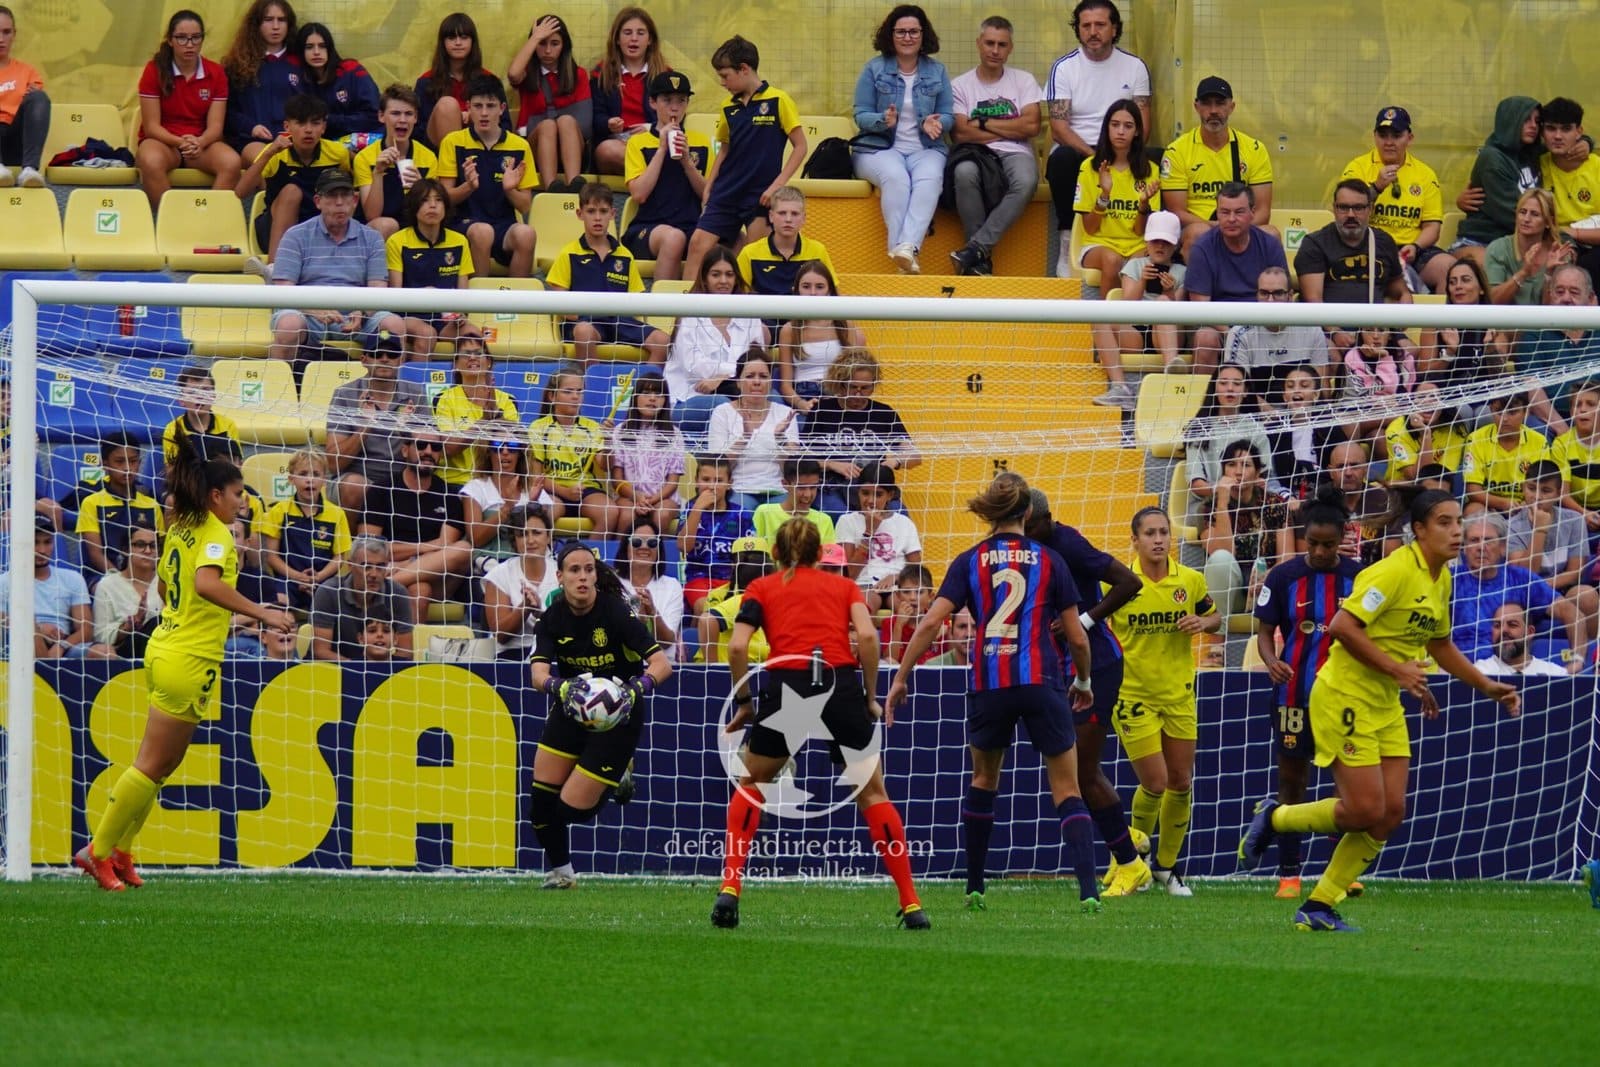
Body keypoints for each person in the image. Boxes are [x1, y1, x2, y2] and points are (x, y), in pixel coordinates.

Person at [1240, 490, 1520, 932]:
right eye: (1445, 522)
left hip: (1384, 700)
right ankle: (1275, 816)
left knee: (1390, 814)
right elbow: (1341, 626)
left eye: (1457, 522)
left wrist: (1485, 685)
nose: (1456, 531)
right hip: (1343, 694)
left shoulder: (1440, 576)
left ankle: (1318, 906)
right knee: (1364, 809)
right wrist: (1399, 670)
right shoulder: (1392, 572)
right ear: (1420, 530)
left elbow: (1438, 643)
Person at [74, 435, 295, 891]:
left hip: (171, 647)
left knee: (164, 764)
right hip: (187, 656)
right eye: (237, 493)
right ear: (216, 495)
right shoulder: (214, 534)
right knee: (151, 763)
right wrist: (264, 611)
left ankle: (121, 852)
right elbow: (207, 584)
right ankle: (95, 850)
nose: (244, 501)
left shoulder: (181, 525)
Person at [886, 474, 1098, 911]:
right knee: (1066, 787)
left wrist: (901, 676)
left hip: (989, 683)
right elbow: (1078, 638)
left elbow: (929, 624)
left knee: (984, 779)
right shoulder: (1050, 559)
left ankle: (976, 886)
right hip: (1041, 682)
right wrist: (1083, 680)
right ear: (1027, 514)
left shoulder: (969, 560)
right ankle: (1089, 892)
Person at [718, 518, 927, 929]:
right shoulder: (845, 587)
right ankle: (912, 903)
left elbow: (738, 644)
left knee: (752, 783)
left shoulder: (762, 588)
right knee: (873, 793)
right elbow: (868, 638)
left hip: (790, 687)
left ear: (775, 553)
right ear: (821, 553)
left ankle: (730, 889)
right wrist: (868, 696)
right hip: (839, 683)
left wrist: (744, 702)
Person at [1021, 488, 1150, 895]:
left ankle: (1132, 865)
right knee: (1075, 770)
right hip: (1063, 668)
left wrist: (1086, 620)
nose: (1022, 533)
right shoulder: (1029, 551)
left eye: (1028, 526)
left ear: (1045, 520)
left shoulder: (1068, 544)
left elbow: (1129, 582)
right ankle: (1127, 841)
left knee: (1081, 770)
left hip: (1097, 665)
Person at [530, 542, 673, 888]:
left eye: (589, 570)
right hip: (572, 706)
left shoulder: (617, 614)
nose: (583, 577)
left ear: (596, 575)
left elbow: (662, 664)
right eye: (575, 570)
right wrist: (559, 688)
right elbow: (537, 675)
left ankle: (620, 775)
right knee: (540, 808)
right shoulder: (552, 618)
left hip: (619, 714)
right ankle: (563, 875)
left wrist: (634, 689)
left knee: (569, 811)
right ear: (560, 577)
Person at [1250, 486, 1363, 898]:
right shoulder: (1283, 577)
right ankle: (1289, 874)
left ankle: (1340, 873)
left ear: (1342, 539)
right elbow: (1265, 632)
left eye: (1328, 544)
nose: (1319, 551)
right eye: (1312, 543)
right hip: (1293, 696)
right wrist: (1270, 660)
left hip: (1344, 698)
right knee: (1292, 784)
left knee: (1346, 786)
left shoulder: (1359, 577)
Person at [1106, 506, 1222, 895]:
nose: (1158, 540)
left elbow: (1215, 617)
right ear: (1134, 539)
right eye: (1150, 533)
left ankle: (1167, 869)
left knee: (1180, 781)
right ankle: (1130, 860)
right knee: (1154, 781)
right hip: (1133, 695)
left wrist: (1201, 623)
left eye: (1163, 532)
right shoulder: (1118, 584)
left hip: (1179, 695)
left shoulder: (1188, 580)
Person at [683, 35, 805, 280]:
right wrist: (710, 185)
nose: (722, 82)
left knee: (752, 255)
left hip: (759, 194)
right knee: (697, 245)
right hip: (726, 191)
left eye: (725, 76)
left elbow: (800, 146)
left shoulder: (779, 100)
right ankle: (685, 316)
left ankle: (748, 318)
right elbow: (725, 148)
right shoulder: (728, 106)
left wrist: (777, 187)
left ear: (744, 69)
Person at [1043, 0, 1151, 267]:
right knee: (1061, 160)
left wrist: (1117, 155)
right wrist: (1096, 157)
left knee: (1158, 159)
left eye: (1100, 25)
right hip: (1080, 148)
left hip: (1123, 146)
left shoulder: (1135, 66)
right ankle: (1068, 241)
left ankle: (1155, 245)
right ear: (1078, 30)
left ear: (1114, 29)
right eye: (1086, 25)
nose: (1093, 31)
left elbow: (1143, 126)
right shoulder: (1064, 67)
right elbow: (1059, 128)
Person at [850, 5, 953, 275]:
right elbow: (860, 114)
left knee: (930, 179)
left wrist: (938, 122)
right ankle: (902, 249)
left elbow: (949, 114)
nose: (907, 37)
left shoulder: (937, 71)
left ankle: (906, 249)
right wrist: (882, 120)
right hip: (878, 148)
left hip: (926, 148)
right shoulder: (874, 69)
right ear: (890, 35)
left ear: (923, 35)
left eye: (913, 32)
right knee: (896, 178)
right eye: (901, 32)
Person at [268, 170, 410, 365]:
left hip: (358, 318)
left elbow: (378, 289)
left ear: (355, 200)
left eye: (345, 196)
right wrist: (315, 309)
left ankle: (393, 392)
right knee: (289, 324)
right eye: (332, 196)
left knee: (394, 324)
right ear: (318, 201)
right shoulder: (295, 235)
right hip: (308, 315)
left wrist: (362, 311)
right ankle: (280, 388)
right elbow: (283, 291)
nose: (340, 202)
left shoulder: (372, 238)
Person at [947, 16, 1041, 276]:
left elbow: (1032, 126)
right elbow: (960, 133)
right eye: (990, 43)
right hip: (975, 153)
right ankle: (979, 262)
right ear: (979, 44)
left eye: (1002, 44)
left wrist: (984, 123)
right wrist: (1011, 127)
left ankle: (976, 249)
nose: (995, 50)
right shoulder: (959, 86)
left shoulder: (1023, 80)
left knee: (1027, 180)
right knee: (963, 173)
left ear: (1010, 47)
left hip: (1017, 152)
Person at [546, 182, 669, 365]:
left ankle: (640, 390)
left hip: (620, 321)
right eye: (591, 211)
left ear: (612, 214)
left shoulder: (625, 255)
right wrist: (587, 315)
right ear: (580, 214)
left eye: (603, 212)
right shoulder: (568, 253)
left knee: (663, 341)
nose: (597, 218)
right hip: (586, 322)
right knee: (583, 332)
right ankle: (593, 389)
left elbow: (637, 301)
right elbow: (560, 305)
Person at [1452, 510, 1587, 673]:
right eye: (1474, 540)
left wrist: (1577, 661)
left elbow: (1572, 613)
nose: (1481, 547)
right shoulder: (1450, 580)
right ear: (1464, 548)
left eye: (1488, 540)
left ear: (1503, 548)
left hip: (1511, 671)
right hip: (1459, 672)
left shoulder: (1519, 578)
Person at [357, 431, 472, 622]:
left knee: (464, 549)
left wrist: (406, 562)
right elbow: (367, 549)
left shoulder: (450, 495)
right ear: (404, 450)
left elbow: (446, 549)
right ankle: (412, 651)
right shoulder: (381, 490)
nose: (428, 451)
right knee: (420, 590)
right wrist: (424, 548)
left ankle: (382, 586)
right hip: (391, 567)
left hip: (430, 577)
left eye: (435, 447)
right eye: (421, 445)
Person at [1340, 106, 1454, 294]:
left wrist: (1415, 247)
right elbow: (1346, 213)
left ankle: (1437, 324)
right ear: (1374, 136)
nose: (1389, 142)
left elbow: (1432, 226)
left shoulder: (1425, 174)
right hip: (1368, 246)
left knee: (1449, 269)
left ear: (1410, 138)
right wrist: (1376, 187)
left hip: (1412, 249)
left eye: (1396, 135)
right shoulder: (1357, 168)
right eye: (1383, 135)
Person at [435, 73, 538, 279]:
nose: (484, 113)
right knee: (483, 232)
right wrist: (468, 187)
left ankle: (517, 305)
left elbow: (525, 205)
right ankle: (478, 307)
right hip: (462, 223)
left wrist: (509, 190)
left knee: (527, 234)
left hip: (503, 225)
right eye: (478, 106)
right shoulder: (453, 142)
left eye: (490, 106)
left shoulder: (519, 146)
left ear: (501, 109)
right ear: (468, 108)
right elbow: (444, 199)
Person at [135, 10, 240, 209]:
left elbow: (216, 127)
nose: (189, 44)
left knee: (232, 162)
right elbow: (151, 127)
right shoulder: (154, 70)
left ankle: (207, 222)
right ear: (170, 40)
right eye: (182, 38)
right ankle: (173, 221)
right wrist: (180, 142)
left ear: (202, 39)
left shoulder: (216, 73)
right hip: (164, 142)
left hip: (201, 144)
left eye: (195, 38)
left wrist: (200, 142)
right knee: (150, 159)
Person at [1161, 76, 1274, 256]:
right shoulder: (1177, 151)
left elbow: (1262, 211)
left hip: (1242, 227)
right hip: (1197, 229)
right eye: (1206, 104)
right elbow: (1177, 213)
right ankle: (1197, 285)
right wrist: (1219, 227)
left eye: (1220, 103)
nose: (1213, 111)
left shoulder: (1254, 149)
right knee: (1198, 232)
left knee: (1272, 233)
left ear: (1232, 106)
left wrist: (1236, 227)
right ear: (1196, 107)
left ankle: (1265, 285)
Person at [801, 348, 920, 518]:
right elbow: (802, 456)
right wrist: (832, 464)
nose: (858, 394)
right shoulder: (822, 411)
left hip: (874, 487)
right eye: (853, 387)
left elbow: (915, 456)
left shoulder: (884, 413)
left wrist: (895, 461)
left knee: (899, 514)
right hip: (832, 486)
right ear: (840, 384)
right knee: (839, 515)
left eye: (865, 388)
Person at [237, 92, 352, 265]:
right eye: (300, 123)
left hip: (318, 226)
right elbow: (241, 192)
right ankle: (275, 267)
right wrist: (268, 154)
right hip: (275, 227)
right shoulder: (274, 152)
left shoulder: (338, 153)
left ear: (323, 127)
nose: (308, 130)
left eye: (315, 123)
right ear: (287, 126)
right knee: (292, 191)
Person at [1184, 183, 1289, 370]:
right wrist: (1237, 333)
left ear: (1252, 213)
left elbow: (1281, 297)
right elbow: (1201, 309)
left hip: (1264, 324)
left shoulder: (1269, 245)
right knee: (1204, 338)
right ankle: (1204, 399)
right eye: (1225, 212)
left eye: (1239, 212)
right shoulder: (1202, 248)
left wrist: (1253, 332)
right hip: (1218, 327)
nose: (1231, 219)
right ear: (1217, 213)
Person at [325, 332, 430, 512]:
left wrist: (403, 428)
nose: (384, 359)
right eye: (377, 354)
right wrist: (367, 426)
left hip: (404, 477)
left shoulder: (416, 393)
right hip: (359, 475)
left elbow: (429, 453)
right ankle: (351, 541)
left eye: (392, 354)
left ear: (401, 360)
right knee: (354, 486)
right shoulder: (345, 394)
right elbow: (335, 464)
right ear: (364, 359)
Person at [1090, 209, 1186, 402]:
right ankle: (1120, 388)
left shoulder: (1183, 272)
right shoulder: (1134, 266)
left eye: (1166, 242)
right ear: (1147, 242)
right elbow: (1127, 307)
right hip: (1136, 333)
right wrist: (1142, 281)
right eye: (1155, 241)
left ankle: (1171, 376)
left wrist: (1168, 292)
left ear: (1175, 245)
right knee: (1098, 317)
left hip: (1168, 334)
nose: (1160, 246)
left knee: (1163, 302)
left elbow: (1180, 309)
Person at [1295, 180, 1411, 338]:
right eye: (1343, 207)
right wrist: (1336, 333)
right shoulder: (1315, 244)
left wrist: (1405, 304)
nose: (1350, 214)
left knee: (1411, 352)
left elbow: (1400, 291)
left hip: (1375, 334)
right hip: (1328, 333)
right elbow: (1314, 302)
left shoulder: (1383, 242)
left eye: (1358, 208)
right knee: (1332, 357)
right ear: (1334, 209)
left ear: (1370, 209)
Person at [624, 71, 710, 281]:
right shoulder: (638, 143)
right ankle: (661, 313)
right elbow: (639, 194)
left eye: (681, 101)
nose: (675, 107)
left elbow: (708, 195)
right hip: (648, 227)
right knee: (674, 237)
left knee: (734, 238)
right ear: (653, 103)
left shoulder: (701, 142)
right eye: (667, 100)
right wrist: (662, 149)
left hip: (691, 226)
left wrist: (687, 162)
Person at [1073, 98, 1158, 296]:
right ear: (1107, 128)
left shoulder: (1150, 170)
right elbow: (1090, 228)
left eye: (1128, 126)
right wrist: (1104, 194)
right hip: (1097, 245)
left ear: (1137, 131)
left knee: (1148, 261)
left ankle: (1135, 324)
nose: (1121, 131)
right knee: (1112, 260)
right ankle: (1107, 323)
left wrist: (1143, 204)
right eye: (1115, 125)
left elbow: (1139, 231)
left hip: (1136, 245)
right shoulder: (1089, 167)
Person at [1202, 440, 1291, 629]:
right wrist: (1222, 503)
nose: (1238, 471)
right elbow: (1223, 552)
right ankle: (1217, 643)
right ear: (1223, 470)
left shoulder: (1274, 503)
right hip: (1229, 593)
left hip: (1267, 587)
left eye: (1246, 465)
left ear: (1258, 472)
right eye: (1231, 464)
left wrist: (1269, 576)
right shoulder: (1209, 507)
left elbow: (1287, 557)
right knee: (1220, 560)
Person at [2, 518, 115, 661]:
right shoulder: (5, 581)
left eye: (47, 542)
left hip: (65, 645)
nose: (42, 550)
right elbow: (3, 622)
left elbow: (86, 630)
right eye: (35, 542)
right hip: (19, 643)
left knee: (105, 652)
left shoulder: (72, 578)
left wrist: (61, 646)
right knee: (31, 631)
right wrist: (39, 629)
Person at [527, 364, 620, 535]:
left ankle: (593, 554)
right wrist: (566, 492)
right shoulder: (538, 427)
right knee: (546, 511)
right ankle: (549, 555)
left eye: (579, 391)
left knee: (609, 511)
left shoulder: (592, 427)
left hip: (586, 490)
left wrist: (608, 441)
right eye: (568, 391)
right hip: (553, 490)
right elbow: (536, 476)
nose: (575, 396)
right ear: (552, 396)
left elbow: (605, 465)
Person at [385, 178, 476, 351]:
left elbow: (463, 293)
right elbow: (394, 298)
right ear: (414, 206)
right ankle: (413, 379)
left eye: (438, 200)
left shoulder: (459, 241)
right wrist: (423, 295)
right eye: (425, 200)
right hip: (408, 316)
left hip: (446, 318)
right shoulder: (397, 241)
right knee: (427, 334)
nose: (432, 206)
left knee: (473, 336)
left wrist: (461, 314)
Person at [1182, 363, 1279, 525]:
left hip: (1249, 501)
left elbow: (1265, 476)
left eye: (1236, 383)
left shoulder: (1256, 429)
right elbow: (1196, 484)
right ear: (1215, 388)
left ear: (1245, 391)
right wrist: (1222, 489)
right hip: (1208, 503)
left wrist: (1252, 485)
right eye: (1223, 383)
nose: (1230, 388)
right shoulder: (1199, 429)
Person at [258, 447, 351, 613]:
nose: (310, 480)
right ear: (291, 479)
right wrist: (297, 576)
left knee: (335, 604)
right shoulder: (279, 511)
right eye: (303, 474)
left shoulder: (337, 514)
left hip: (323, 580)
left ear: (324, 480)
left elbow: (339, 558)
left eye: (316, 474)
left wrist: (319, 578)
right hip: (288, 578)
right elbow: (271, 556)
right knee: (278, 602)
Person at [1219, 267, 1331, 403]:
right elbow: (1237, 390)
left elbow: (1322, 389)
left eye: (1278, 293)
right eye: (1264, 293)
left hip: (1302, 415)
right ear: (1257, 295)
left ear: (1290, 296)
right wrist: (1274, 417)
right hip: (1256, 417)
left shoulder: (1312, 329)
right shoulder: (1239, 334)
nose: (1270, 300)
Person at [1452, 96, 1543, 264]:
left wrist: (1586, 143)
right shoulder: (1493, 158)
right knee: (1498, 270)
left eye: (1537, 121)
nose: (1533, 126)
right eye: (1525, 120)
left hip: (1520, 242)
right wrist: (1557, 230)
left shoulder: (1531, 152)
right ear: (1510, 120)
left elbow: (1563, 142)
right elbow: (1512, 214)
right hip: (1482, 240)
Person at [505, 14, 590, 194]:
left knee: (566, 121)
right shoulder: (527, 73)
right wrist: (535, 37)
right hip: (536, 147)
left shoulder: (578, 74)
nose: (548, 51)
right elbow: (513, 74)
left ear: (564, 46)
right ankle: (552, 187)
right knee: (548, 126)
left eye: (555, 44)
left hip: (572, 146)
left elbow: (584, 125)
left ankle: (575, 185)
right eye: (542, 44)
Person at [707, 349, 799, 514]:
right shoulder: (722, 412)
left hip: (778, 489)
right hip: (739, 489)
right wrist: (745, 438)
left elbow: (792, 470)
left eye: (763, 376)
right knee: (739, 515)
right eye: (750, 376)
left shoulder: (786, 413)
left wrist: (780, 438)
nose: (757, 382)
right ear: (738, 382)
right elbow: (717, 467)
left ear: (771, 381)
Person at [1514, 264, 1600, 435]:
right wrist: (1565, 434)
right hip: (1551, 420)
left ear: (1590, 299)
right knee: (1535, 428)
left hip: (1597, 416)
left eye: (1574, 292)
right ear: (1550, 295)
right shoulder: (1534, 333)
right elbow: (1534, 391)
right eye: (1559, 292)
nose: (1566, 298)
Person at [774, 261, 865, 415]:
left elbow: (857, 377)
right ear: (797, 290)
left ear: (830, 290)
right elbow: (786, 386)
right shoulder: (789, 330)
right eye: (806, 286)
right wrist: (802, 404)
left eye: (820, 287)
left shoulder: (846, 326)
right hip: (805, 394)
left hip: (839, 395)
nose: (813, 293)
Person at [74, 431, 164, 580]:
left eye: (133, 461)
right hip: (105, 576)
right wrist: (121, 581)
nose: (127, 468)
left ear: (140, 463)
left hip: (147, 577)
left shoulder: (151, 504)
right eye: (120, 461)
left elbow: (160, 550)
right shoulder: (91, 503)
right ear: (105, 464)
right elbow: (95, 554)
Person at [590, 6, 668, 176]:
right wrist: (608, 123)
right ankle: (657, 175)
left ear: (650, 40)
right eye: (627, 33)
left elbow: (675, 118)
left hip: (652, 141)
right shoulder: (601, 72)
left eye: (640, 33)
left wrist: (650, 128)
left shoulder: (665, 75)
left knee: (662, 152)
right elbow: (594, 117)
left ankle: (650, 177)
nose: (634, 39)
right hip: (617, 143)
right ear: (617, 39)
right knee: (606, 150)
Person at [308, 535, 414, 661]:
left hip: (377, 668)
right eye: (366, 566)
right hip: (332, 670)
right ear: (350, 565)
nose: (374, 574)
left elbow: (405, 653)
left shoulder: (397, 593)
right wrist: (357, 671)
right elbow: (320, 651)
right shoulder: (328, 592)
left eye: (380, 566)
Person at [353, 84, 437, 241]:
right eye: (395, 113)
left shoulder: (428, 157)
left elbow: (432, 211)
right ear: (381, 116)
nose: (403, 120)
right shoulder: (365, 158)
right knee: (387, 225)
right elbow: (372, 215)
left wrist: (421, 187)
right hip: (377, 228)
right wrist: (378, 172)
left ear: (416, 118)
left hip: (413, 224)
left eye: (408, 114)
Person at [432, 332, 516, 487]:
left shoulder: (507, 400)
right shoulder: (444, 399)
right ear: (456, 364)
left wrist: (495, 421)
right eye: (466, 354)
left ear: (489, 361)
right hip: (454, 482)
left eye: (478, 353)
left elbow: (510, 448)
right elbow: (448, 448)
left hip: (493, 484)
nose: (472, 357)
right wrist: (484, 421)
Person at [836, 461, 921, 612]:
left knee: (907, 608)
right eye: (865, 493)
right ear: (858, 491)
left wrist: (897, 577)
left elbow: (917, 570)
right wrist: (869, 531)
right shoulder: (847, 521)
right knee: (865, 606)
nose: (870, 501)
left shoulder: (904, 523)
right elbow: (848, 575)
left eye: (878, 494)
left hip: (897, 587)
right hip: (862, 585)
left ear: (890, 495)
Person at [220, 0, 299, 163]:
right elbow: (227, 112)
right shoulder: (237, 64)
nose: (276, 26)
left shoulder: (300, 63)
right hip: (251, 141)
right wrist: (251, 127)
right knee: (269, 161)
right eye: (268, 20)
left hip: (293, 141)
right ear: (256, 24)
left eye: (281, 20)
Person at [608, 373, 685, 534]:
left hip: (664, 498)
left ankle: (660, 557)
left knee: (662, 514)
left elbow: (672, 482)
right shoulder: (620, 431)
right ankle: (620, 557)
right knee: (627, 516)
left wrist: (652, 500)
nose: (652, 398)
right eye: (646, 393)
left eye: (658, 394)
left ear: (665, 401)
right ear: (635, 397)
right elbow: (617, 479)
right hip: (629, 497)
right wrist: (636, 497)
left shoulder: (674, 434)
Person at [461, 428, 553, 562]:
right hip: (489, 562)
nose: (505, 451)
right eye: (497, 445)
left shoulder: (533, 488)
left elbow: (542, 537)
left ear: (520, 453)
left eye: (512, 446)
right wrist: (507, 507)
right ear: (488, 451)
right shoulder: (475, 488)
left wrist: (531, 504)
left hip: (528, 561)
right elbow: (476, 539)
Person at [1507, 460, 1593, 601]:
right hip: (1528, 596)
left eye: (1546, 490)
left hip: (1563, 591)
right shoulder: (1511, 526)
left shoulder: (1574, 520)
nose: (1537, 496)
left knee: (1587, 596)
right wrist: (1540, 530)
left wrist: (1542, 586)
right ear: (1523, 488)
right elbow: (1525, 575)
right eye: (1531, 488)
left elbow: (1574, 573)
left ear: (1559, 493)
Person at [481, 504, 558, 660]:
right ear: (514, 540)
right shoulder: (499, 575)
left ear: (548, 536)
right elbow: (501, 636)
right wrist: (525, 608)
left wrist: (540, 615)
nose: (530, 540)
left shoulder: (561, 571)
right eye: (522, 534)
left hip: (554, 651)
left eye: (536, 533)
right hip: (512, 653)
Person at [678, 454, 750, 617]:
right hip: (698, 578)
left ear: (729, 483)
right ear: (696, 481)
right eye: (706, 479)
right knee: (706, 607)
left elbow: (751, 556)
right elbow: (683, 547)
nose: (712, 486)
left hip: (731, 581)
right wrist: (697, 510)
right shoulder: (690, 509)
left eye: (718, 480)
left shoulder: (741, 514)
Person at [1418, 259, 1510, 386]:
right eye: (1452, 282)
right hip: (1443, 397)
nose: (1458, 286)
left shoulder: (1493, 323)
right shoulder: (1435, 323)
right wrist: (1449, 353)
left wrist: (1490, 347)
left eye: (1465, 280)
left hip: (1483, 398)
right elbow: (1423, 375)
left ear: (1481, 289)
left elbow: (1500, 377)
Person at [414, 12, 497, 150]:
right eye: (451, 37)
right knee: (448, 105)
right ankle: (451, 168)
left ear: (472, 42)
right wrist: (453, 117)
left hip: (482, 147)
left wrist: (476, 116)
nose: (458, 43)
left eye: (464, 37)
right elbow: (418, 128)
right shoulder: (426, 81)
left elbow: (505, 126)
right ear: (443, 43)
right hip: (437, 150)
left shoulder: (489, 80)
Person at [1537, 97, 1600, 280]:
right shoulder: (1535, 166)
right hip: (1554, 243)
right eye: (1551, 128)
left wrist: (1575, 232)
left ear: (1579, 132)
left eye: (1565, 129)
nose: (1557, 136)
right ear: (1542, 132)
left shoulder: (1596, 168)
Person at [737, 186, 837, 299]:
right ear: (771, 216)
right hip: (762, 316)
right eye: (782, 213)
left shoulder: (817, 251)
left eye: (794, 214)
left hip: (804, 315)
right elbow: (737, 297)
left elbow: (833, 294)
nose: (788, 219)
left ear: (804, 218)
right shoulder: (749, 253)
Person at [1463, 391, 1549, 515]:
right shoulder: (1475, 439)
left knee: (1541, 511)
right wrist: (1503, 503)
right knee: (1473, 509)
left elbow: (1543, 487)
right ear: (1491, 410)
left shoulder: (1540, 442)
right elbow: (1473, 491)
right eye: (1499, 412)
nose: (1505, 419)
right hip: (1488, 506)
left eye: (1512, 412)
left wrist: (1524, 506)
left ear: (1526, 412)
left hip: (1525, 507)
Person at [294, 22, 380, 143]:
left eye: (322, 46)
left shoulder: (352, 70)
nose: (316, 52)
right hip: (324, 144)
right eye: (309, 47)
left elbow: (374, 116)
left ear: (330, 48)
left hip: (366, 139)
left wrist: (329, 120)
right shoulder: (300, 80)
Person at [1485, 188, 1573, 306]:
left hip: (1546, 323)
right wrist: (1524, 273)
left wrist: (1549, 274)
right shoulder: (1498, 249)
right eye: (1522, 212)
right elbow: (1493, 301)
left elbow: (1554, 312)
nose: (1526, 219)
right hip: (1506, 322)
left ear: (1548, 222)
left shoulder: (1559, 254)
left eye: (1535, 214)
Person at [617, 517, 685, 661]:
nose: (644, 547)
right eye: (636, 542)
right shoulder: (612, 583)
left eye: (652, 543)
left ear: (658, 549)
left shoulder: (672, 586)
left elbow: (667, 642)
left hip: (663, 666)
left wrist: (652, 611)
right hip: (621, 665)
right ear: (625, 548)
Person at [93, 525, 163, 659]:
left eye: (153, 546)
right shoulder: (107, 585)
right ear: (125, 550)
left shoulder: (166, 581)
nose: (148, 551)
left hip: (166, 648)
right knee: (156, 622)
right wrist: (130, 625)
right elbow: (100, 636)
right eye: (140, 545)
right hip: (126, 652)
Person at [0, 5, 49, 188]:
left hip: (15, 139)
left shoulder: (27, 72)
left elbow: (33, 107)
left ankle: (29, 170)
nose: (1, 39)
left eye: (6, 32)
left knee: (39, 98)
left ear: (14, 34)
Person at [1383, 382, 1467, 486]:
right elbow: (1415, 476)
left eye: (1433, 396)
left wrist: (1425, 433)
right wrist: (1425, 434)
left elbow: (1438, 478)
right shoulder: (1396, 430)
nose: (1427, 401)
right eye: (1422, 396)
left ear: (1443, 403)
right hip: (1401, 490)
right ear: (1412, 402)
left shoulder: (1456, 430)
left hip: (1437, 488)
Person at [1548, 378, 1600, 541]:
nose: (1583, 409)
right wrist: (1584, 514)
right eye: (1577, 404)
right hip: (1574, 512)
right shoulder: (1561, 444)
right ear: (1571, 412)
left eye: (1590, 404)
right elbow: (1562, 495)